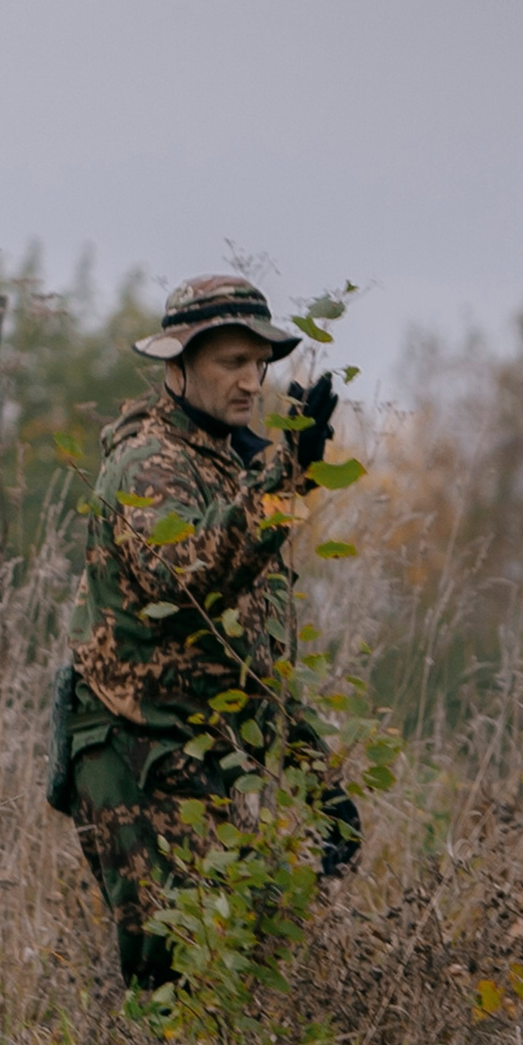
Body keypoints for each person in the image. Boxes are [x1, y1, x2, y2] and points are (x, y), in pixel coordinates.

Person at [52, 272, 359, 989]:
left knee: (231, 966)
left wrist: (316, 776)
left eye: (259, 364)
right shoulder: (150, 463)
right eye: (230, 363)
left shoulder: (228, 464)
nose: (251, 381)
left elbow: (241, 655)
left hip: (197, 753)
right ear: (178, 367)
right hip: (134, 752)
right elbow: (185, 575)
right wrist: (283, 479)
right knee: (169, 976)